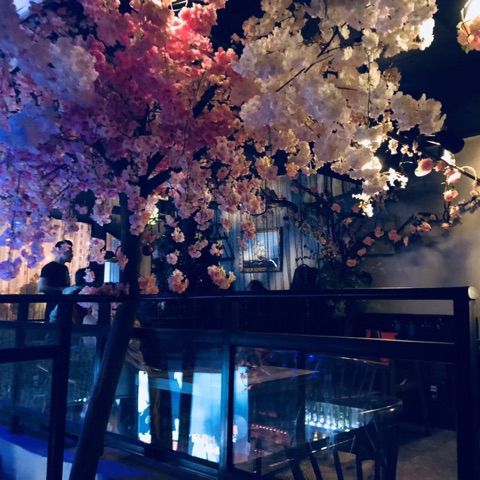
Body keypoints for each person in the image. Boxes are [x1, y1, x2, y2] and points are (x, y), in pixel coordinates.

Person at [38, 240, 73, 321]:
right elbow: (41, 287)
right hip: (53, 307)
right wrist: (63, 289)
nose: (72, 254)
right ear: (60, 251)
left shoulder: (65, 268)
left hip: (63, 307)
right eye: (69, 251)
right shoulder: (49, 267)